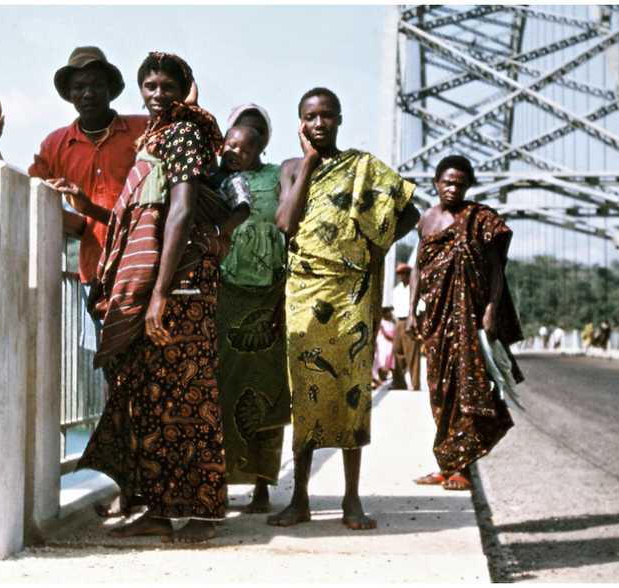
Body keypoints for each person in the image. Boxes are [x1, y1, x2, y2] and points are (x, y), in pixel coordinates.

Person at [76, 52, 238, 544]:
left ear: (183, 88)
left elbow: (181, 211)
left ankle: (202, 513)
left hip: (179, 288)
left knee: (186, 398)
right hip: (164, 289)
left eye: (168, 85)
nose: (157, 93)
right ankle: (161, 511)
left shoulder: (183, 135)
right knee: (155, 398)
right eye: (149, 85)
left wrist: (159, 294)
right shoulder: (157, 137)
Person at [267, 87, 418, 530]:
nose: (319, 124)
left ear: (339, 120)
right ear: (300, 123)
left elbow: (411, 210)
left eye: (327, 116)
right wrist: (310, 164)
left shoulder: (362, 167)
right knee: (305, 398)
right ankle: (299, 499)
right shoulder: (291, 168)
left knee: (353, 395)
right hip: (304, 297)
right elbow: (284, 222)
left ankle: (352, 499)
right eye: (311, 117)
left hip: (352, 294)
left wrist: (377, 247)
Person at [0, 46, 148, 290]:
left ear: (110, 89)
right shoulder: (56, 144)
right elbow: (26, 195)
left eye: (96, 85)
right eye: (79, 87)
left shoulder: (143, 130)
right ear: (70, 94)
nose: (88, 93)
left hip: (144, 267)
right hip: (96, 274)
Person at [407, 155, 523, 492]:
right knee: (439, 391)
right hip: (436, 321)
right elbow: (418, 268)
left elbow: (496, 269)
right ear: (436, 183)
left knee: (466, 390)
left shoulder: (480, 219)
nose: (453, 188)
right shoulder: (426, 221)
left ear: (468, 185)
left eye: (459, 183)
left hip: (468, 319)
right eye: (447, 182)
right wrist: (413, 309)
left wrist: (490, 310)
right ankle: (445, 464)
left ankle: (463, 469)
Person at [213, 105, 291, 514]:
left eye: (246, 142)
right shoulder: (218, 178)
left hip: (269, 295)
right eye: (230, 142)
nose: (235, 150)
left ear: (262, 143)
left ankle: (262, 486)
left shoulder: (279, 175)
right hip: (227, 295)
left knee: (265, 392)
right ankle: (224, 482)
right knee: (225, 392)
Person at [391, 263, 421, 390]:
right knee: (396, 351)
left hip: (410, 320)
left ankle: (415, 384)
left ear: (409, 274)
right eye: (399, 274)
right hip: (398, 321)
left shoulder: (413, 289)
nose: (401, 277)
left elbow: (421, 307)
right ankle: (398, 382)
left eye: (404, 273)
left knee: (412, 353)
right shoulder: (397, 289)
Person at [373, 307, 397, 388]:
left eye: (390, 312)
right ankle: (379, 379)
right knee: (381, 361)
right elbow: (386, 335)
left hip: (390, 345)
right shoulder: (381, 323)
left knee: (390, 362)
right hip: (382, 344)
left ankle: (390, 379)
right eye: (387, 312)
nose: (389, 314)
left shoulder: (392, 322)